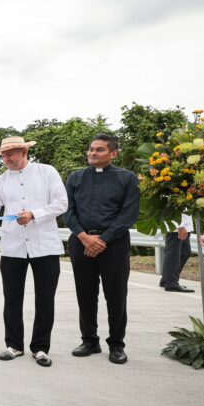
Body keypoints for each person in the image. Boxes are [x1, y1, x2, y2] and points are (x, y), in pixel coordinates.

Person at [0, 136, 67, 367]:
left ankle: (40, 348)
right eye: (3, 155)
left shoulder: (47, 172)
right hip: (13, 247)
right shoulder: (0, 181)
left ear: (23, 151)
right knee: (12, 298)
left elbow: (61, 203)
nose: (6, 159)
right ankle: (14, 345)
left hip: (45, 247)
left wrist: (34, 214)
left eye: (10, 153)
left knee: (45, 299)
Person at [65, 134, 139, 365]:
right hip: (81, 241)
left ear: (113, 153)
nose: (92, 153)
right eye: (91, 149)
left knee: (116, 296)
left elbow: (128, 214)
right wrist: (85, 237)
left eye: (99, 150)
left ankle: (116, 344)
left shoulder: (127, 178)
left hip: (114, 244)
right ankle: (89, 340)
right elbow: (68, 212)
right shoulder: (75, 178)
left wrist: (102, 240)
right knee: (85, 294)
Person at [160, 214, 194, 293]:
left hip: (185, 225)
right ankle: (171, 283)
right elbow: (172, 207)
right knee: (173, 254)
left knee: (185, 252)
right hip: (177, 227)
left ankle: (166, 279)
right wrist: (180, 226)